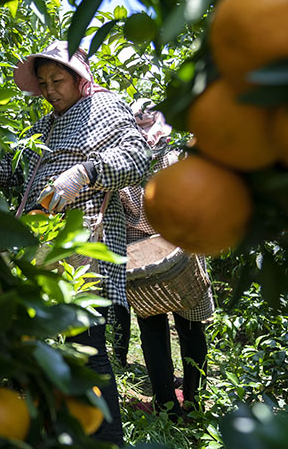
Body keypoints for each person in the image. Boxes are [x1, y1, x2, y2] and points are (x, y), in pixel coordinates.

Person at [0, 41, 150, 446]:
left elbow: (137, 158)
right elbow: (13, 167)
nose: (51, 89)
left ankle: (106, 438)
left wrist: (86, 171)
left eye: (58, 80)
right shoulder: (46, 126)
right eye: (44, 83)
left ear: (80, 78)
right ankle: (52, 429)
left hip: (86, 241)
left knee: (85, 342)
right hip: (41, 244)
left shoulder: (107, 108)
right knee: (32, 339)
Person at [119, 99, 215, 418]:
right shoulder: (175, 156)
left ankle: (166, 403)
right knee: (189, 327)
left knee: (154, 330)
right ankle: (193, 400)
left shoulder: (126, 163)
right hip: (178, 252)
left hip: (144, 260)